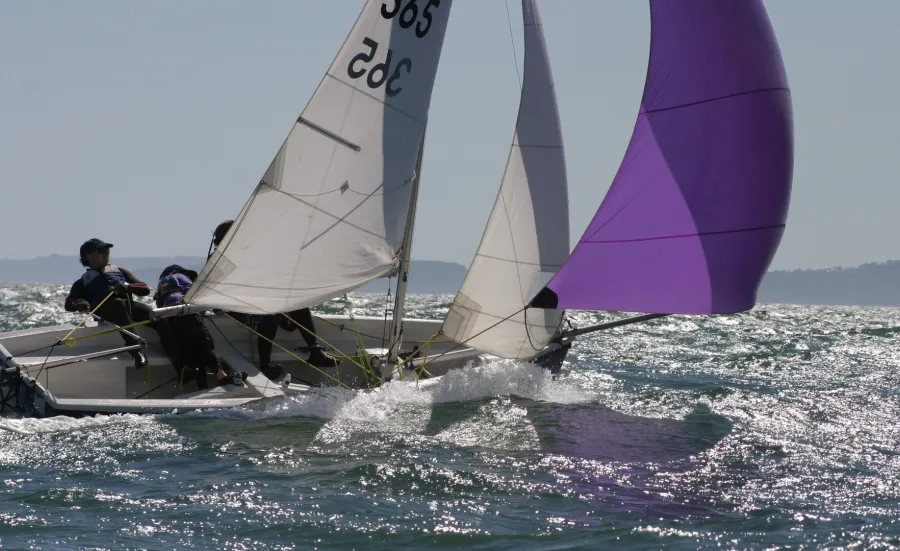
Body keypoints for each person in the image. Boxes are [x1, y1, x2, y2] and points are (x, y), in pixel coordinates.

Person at [210, 220, 339, 380]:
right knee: (269, 318)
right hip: (237, 308)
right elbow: (213, 292)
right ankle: (265, 368)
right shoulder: (217, 260)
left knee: (298, 305)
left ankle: (315, 351)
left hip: (256, 304)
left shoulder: (247, 256)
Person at [64, 238, 179, 370]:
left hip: (128, 307)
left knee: (157, 317)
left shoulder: (119, 271)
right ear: (88, 256)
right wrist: (80, 303)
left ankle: (179, 363)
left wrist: (128, 286)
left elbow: (145, 289)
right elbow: (69, 303)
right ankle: (136, 350)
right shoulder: (81, 283)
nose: (106, 253)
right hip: (106, 313)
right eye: (101, 251)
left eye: (107, 250)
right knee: (118, 304)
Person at [154, 265, 245, 388]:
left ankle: (202, 386)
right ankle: (222, 376)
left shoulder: (161, 286)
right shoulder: (178, 276)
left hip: (171, 318)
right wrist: (215, 307)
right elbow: (196, 294)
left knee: (194, 353)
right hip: (187, 313)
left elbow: (160, 304)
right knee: (204, 345)